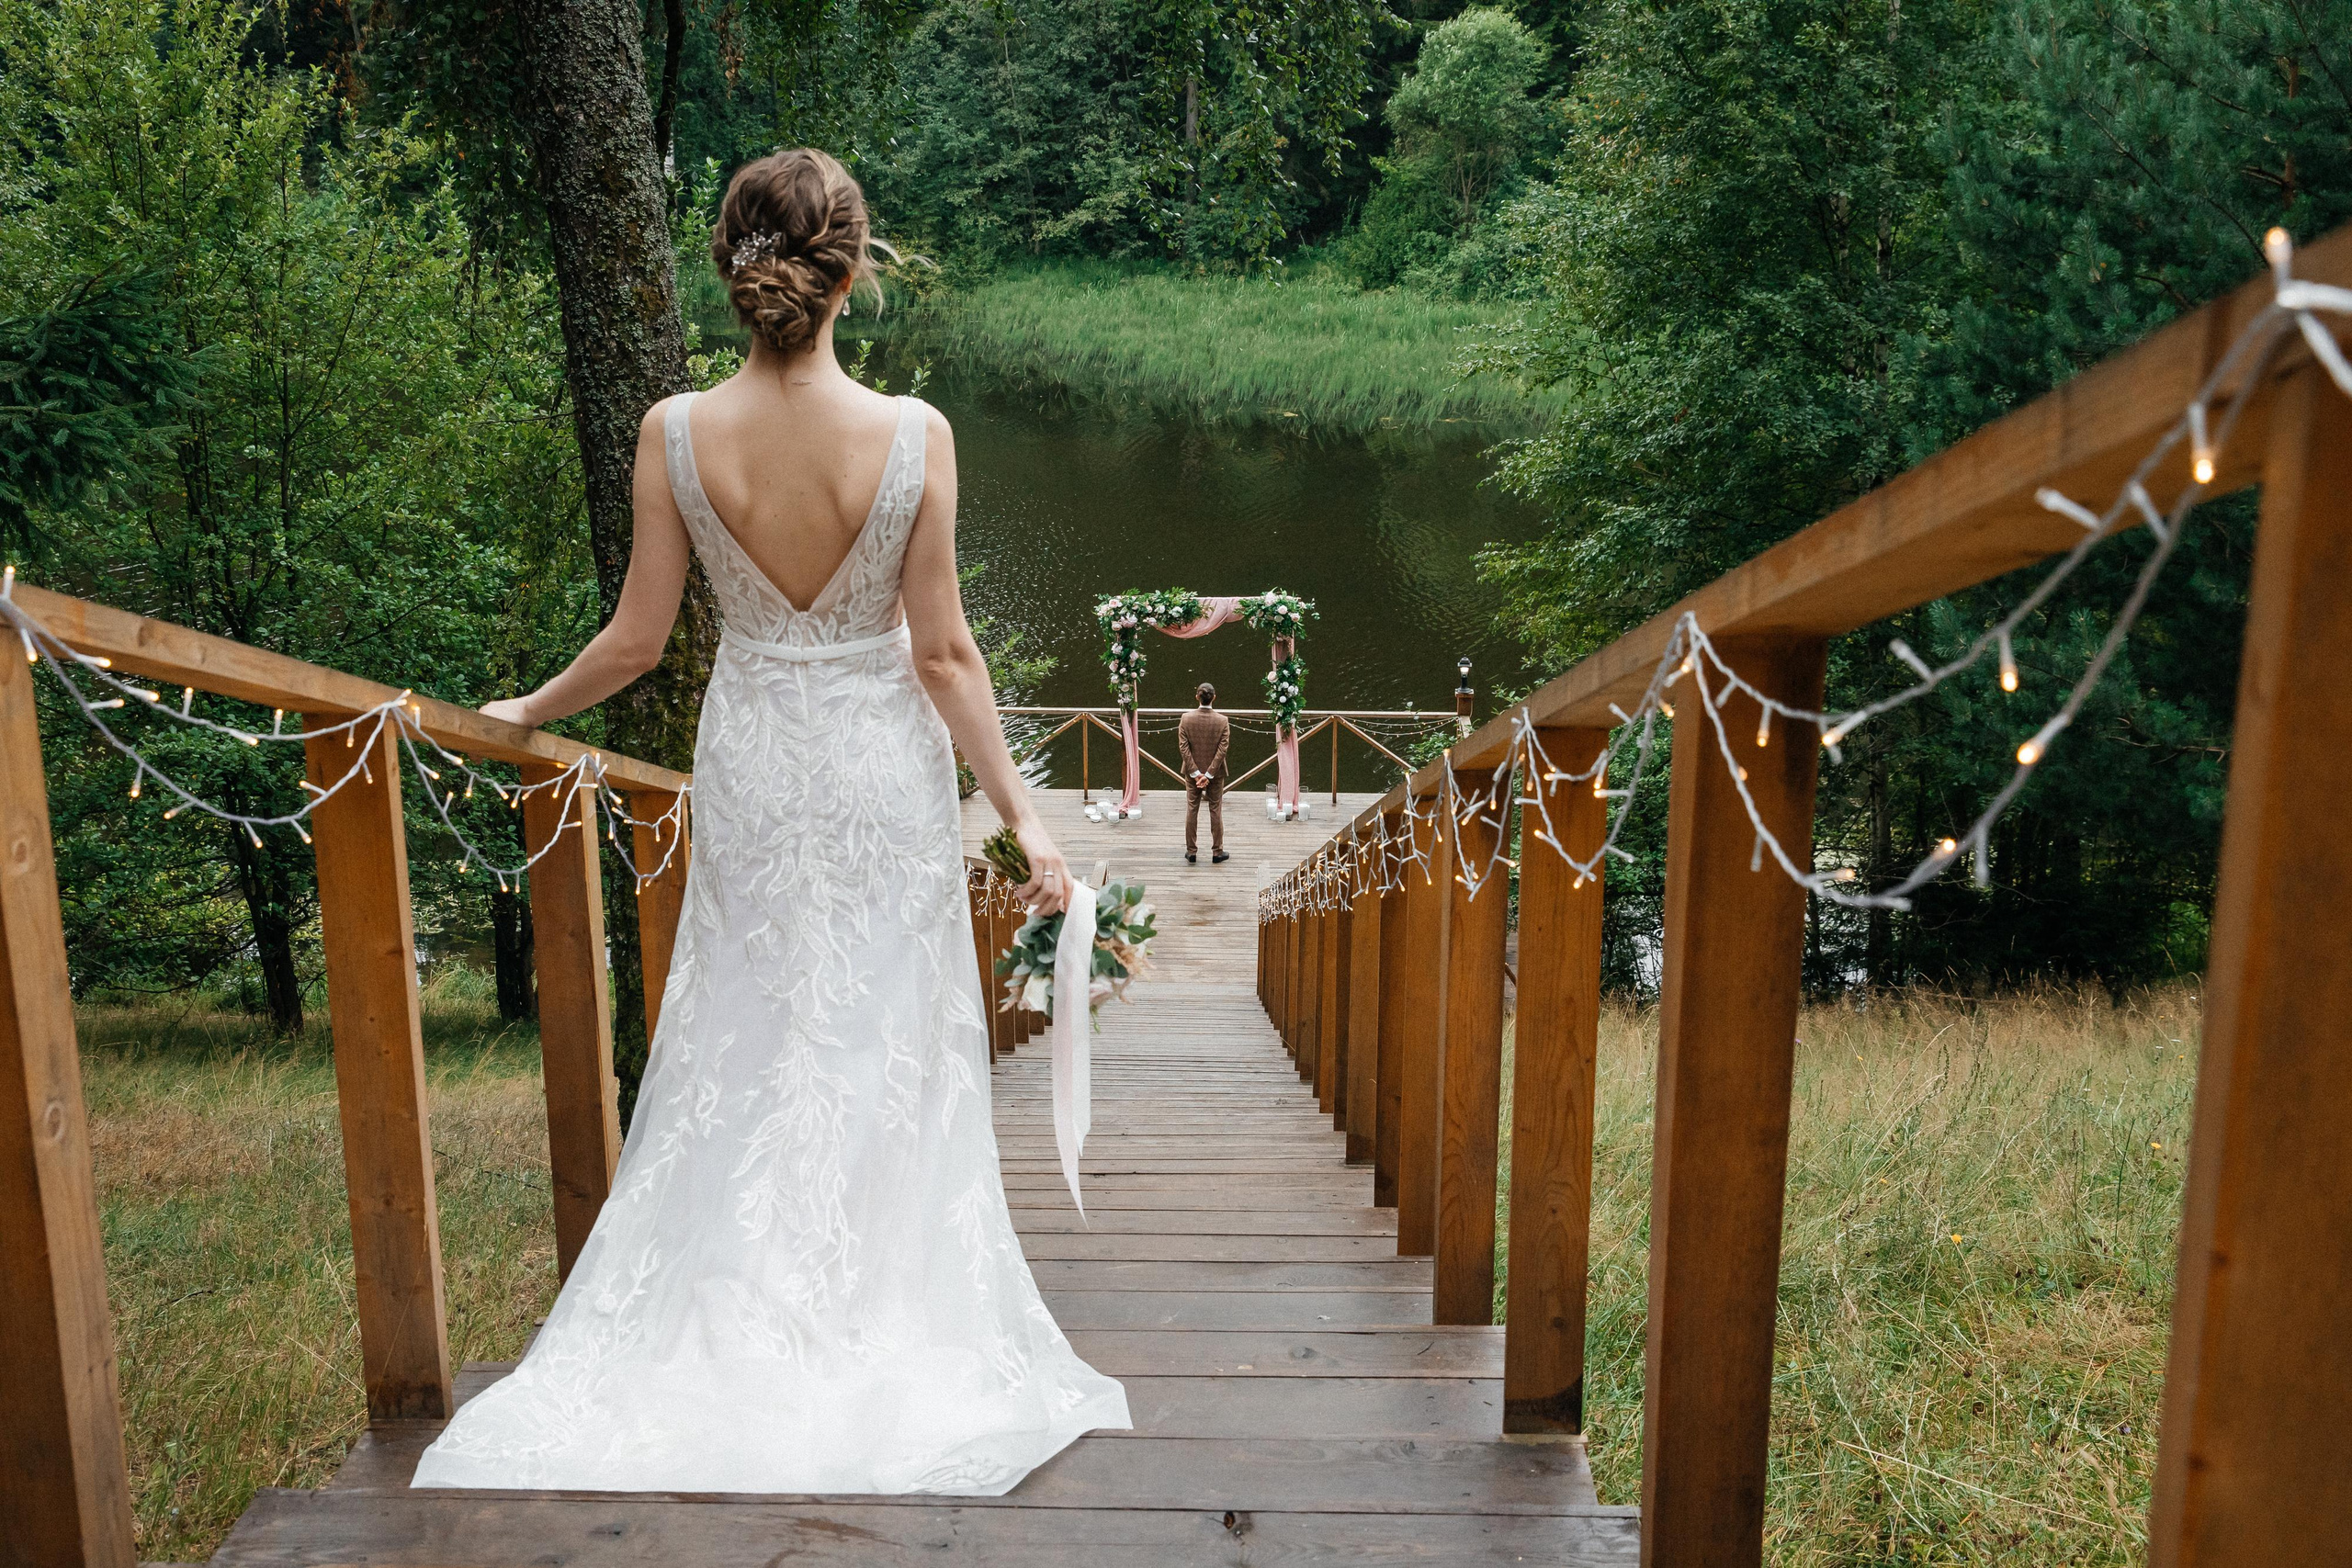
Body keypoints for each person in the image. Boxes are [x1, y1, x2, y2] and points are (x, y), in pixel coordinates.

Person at [417, 149, 1129, 1495]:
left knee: (744, 1020)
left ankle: (736, 1311)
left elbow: (635, 642)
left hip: (752, 764)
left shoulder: (675, 434)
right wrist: (1025, 821)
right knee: (883, 1029)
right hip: (877, 775)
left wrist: (525, 708)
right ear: (850, 269)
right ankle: (877, 1310)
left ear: (734, 268)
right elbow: (945, 657)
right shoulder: (915, 434)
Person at [1179, 682, 1230, 864]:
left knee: (1192, 809)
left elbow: (1183, 748)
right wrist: (1208, 774)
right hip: (1215, 775)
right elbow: (1222, 750)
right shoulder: (1222, 720)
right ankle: (1217, 852)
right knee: (1215, 809)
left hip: (1192, 775)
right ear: (1214, 698)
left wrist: (1195, 773)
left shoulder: (1186, 719)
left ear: (1197, 697)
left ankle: (1191, 851)